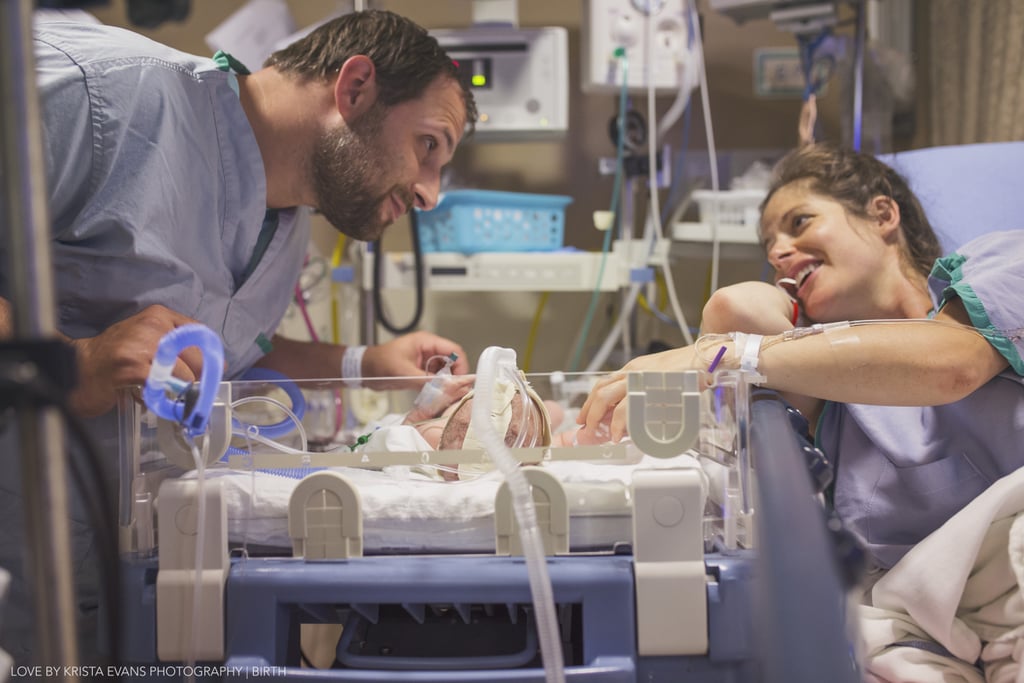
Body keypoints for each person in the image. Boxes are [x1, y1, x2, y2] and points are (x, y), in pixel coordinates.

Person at [0, 9, 477, 662]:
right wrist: (70, 363)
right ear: (356, 87)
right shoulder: (107, 96)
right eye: (429, 145)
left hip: (116, 589)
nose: (430, 194)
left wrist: (362, 362)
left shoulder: (282, 229)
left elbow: (223, 346)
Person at [579, 142, 1023, 575]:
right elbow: (732, 310)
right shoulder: (824, 392)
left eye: (800, 222)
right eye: (770, 246)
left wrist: (721, 356)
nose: (777, 251)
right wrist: (737, 346)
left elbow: (952, 364)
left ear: (883, 214)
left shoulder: (999, 262)